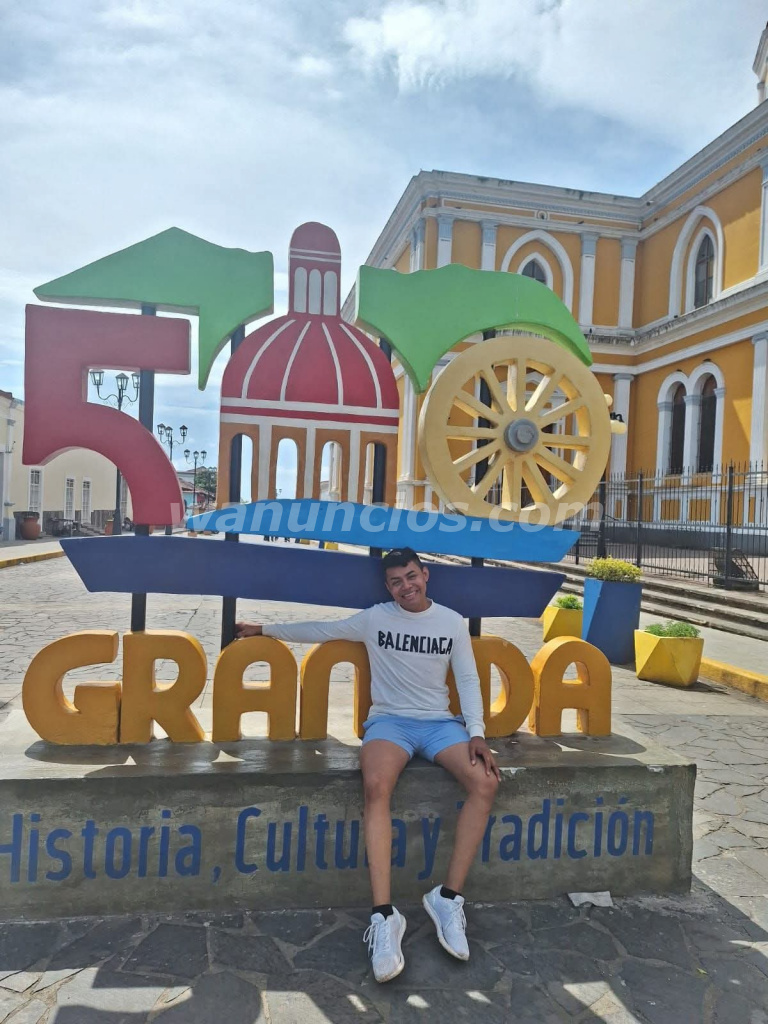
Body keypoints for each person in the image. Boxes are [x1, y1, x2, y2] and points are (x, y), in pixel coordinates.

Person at [236, 547, 500, 983]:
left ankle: (448, 899)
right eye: (396, 582)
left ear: (425, 575)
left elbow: (468, 679)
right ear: (388, 587)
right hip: (390, 723)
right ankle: (384, 916)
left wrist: (476, 732)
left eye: (411, 577)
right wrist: (264, 629)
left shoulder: (452, 622)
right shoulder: (376, 618)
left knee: (485, 782)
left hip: (439, 724)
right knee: (376, 785)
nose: (405, 587)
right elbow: (322, 629)